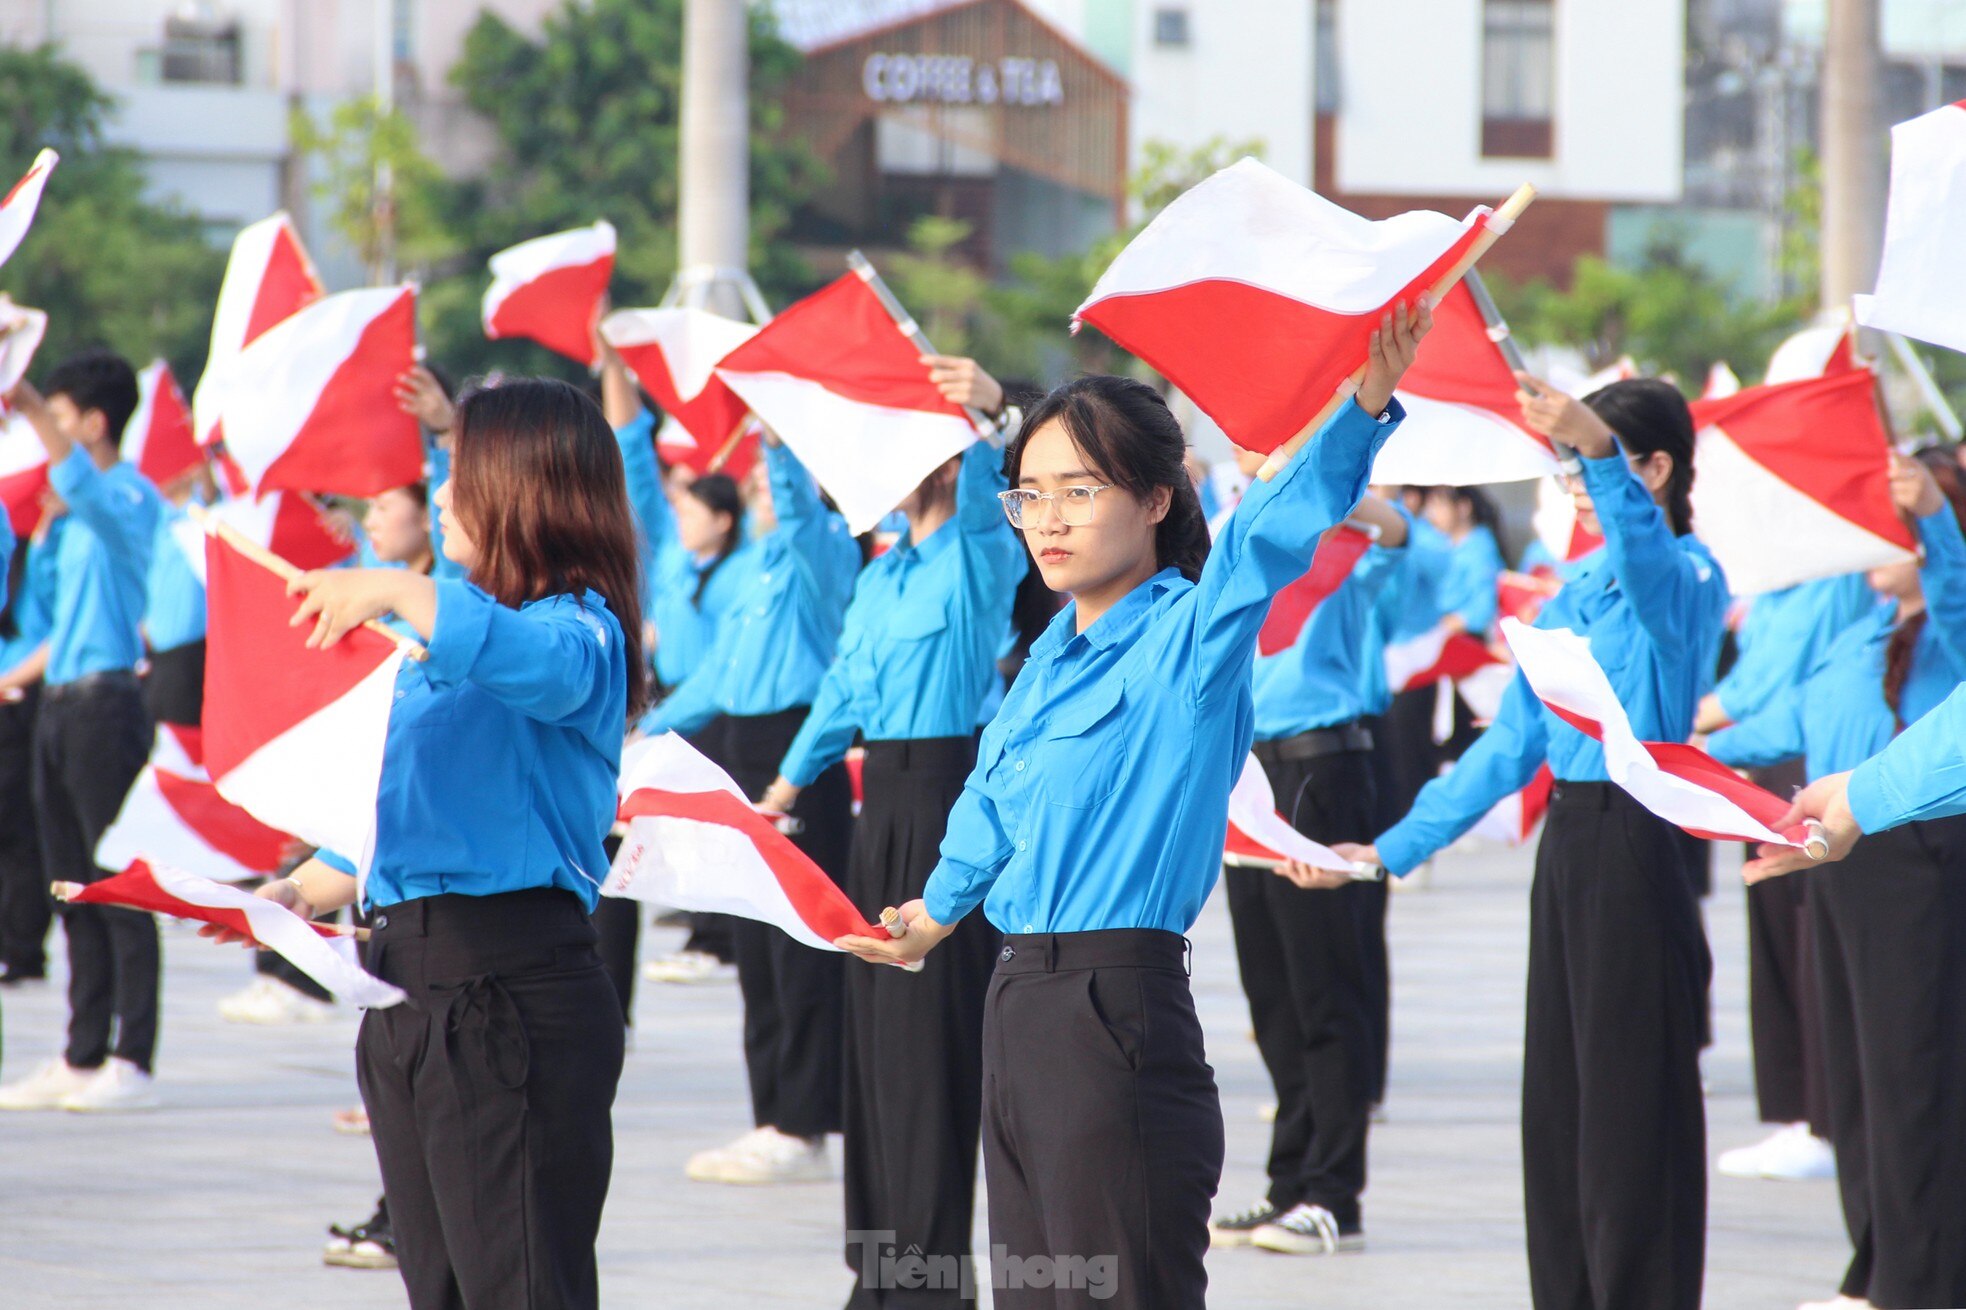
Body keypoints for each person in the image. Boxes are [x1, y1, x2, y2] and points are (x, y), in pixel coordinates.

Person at [836, 303, 1430, 1309]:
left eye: (1080, 488)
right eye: (1030, 495)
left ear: (1156, 497)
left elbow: (1268, 533)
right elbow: (990, 797)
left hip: (1116, 1014)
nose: (1051, 518)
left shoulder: (1188, 643)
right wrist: (933, 914)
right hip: (1015, 1003)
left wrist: (1363, 402)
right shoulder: (1044, 656)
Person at [209, 376, 643, 1310]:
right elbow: (396, 820)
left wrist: (405, 586)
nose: (440, 498)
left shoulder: (580, 633)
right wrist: (295, 897)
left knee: (518, 1285)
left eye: (459, 475)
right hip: (406, 985)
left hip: (512, 991)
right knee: (439, 1287)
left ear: (527, 492)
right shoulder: (431, 655)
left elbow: (541, 671)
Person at [1339, 375, 1729, 1310]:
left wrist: (1596, 443)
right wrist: (1390, 848)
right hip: (1572, 851)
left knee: (1634, 1104)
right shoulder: (1569, 597)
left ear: (1659, 467)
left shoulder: (1687, 577)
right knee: (1560, 1102)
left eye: (1597, 460)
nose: (1578, 480)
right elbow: (1509, 747)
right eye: (1573, 463)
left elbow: (1649, 560)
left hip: (1642, 841)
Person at [758, 354, 1024, 1305]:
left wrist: (988, 415)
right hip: (881, 817)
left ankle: (927, 1280)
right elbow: (842, 694)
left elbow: (998, 490)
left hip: (953, 803)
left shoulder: (975, 553)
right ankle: (876, 1273)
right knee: (874, 1050)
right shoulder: (881, 577)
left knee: (930, 1054)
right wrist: (783, 786)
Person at [1711, 451, 1966, 1310]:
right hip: (1842, 853)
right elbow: (1783, 720)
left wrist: (1933, 513)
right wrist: (1670, 753)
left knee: (1912, 1079)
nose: (1871, 544)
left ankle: (1922, 1279)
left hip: (1915, 857)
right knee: (1852, 1079)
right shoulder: (1862, 634)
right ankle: (1877, 1265)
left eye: (1890, 529)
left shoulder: (1953, 624)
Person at [640, 427, 862, 1186]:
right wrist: (636, 732)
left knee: (797, 948)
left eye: (774, 480)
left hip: (794, 760)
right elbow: (718, 679)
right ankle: (771, 1114)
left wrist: (784, 437)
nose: (763, 487)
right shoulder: (756, 570)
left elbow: (799, 509)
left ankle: (804, 1121)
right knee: (755, 945)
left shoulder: (821, 552)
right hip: (742, 751)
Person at [1209, 486, 1412, 1256]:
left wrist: (1335, 484)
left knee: (1328, 987)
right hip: (1246, 774)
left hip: (1322, 773)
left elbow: (1397, 538)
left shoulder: (1343, 532)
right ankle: (1287, 1184)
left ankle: (1335, 1195)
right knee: (1273, 994)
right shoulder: (1232, 531)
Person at [0, 355, 164, 1114]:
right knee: (71, 882)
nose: (47, 432)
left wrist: (24, 395)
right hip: (60, 705)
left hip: (107, 706)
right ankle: (81, 1049)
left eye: (58, 416)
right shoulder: (67, 519)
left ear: (93, 423)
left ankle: (133, 1057)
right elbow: (56, 625)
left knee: (119, 882)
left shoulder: (127, 495)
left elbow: (87, 489)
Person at [1693, 572, 1871, 1183]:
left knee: (1805, 943)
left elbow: (1771, 679)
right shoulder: (1773, 580)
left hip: (1812, 765)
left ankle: (1822, 1120)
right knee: (1776, 939)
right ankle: (1798, 1114)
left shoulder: (1827, 573)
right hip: (1765, 751)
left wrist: (1691, 729)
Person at [598, 334, 750, 990]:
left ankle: (713, 934)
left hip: (714, 705)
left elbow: (727, 671)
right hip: (671, 698)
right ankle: (697, 926)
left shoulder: (747, 570)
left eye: (693, 507)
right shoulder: (668, 557)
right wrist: (613, 365)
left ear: (724, 518)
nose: (680, 514)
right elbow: (634, 455)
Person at [0, 505, 54, 990]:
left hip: (15, 691)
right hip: (17, 686)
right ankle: (19, 945)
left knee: (16, 829)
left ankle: (19, 946)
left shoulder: (30, 547)